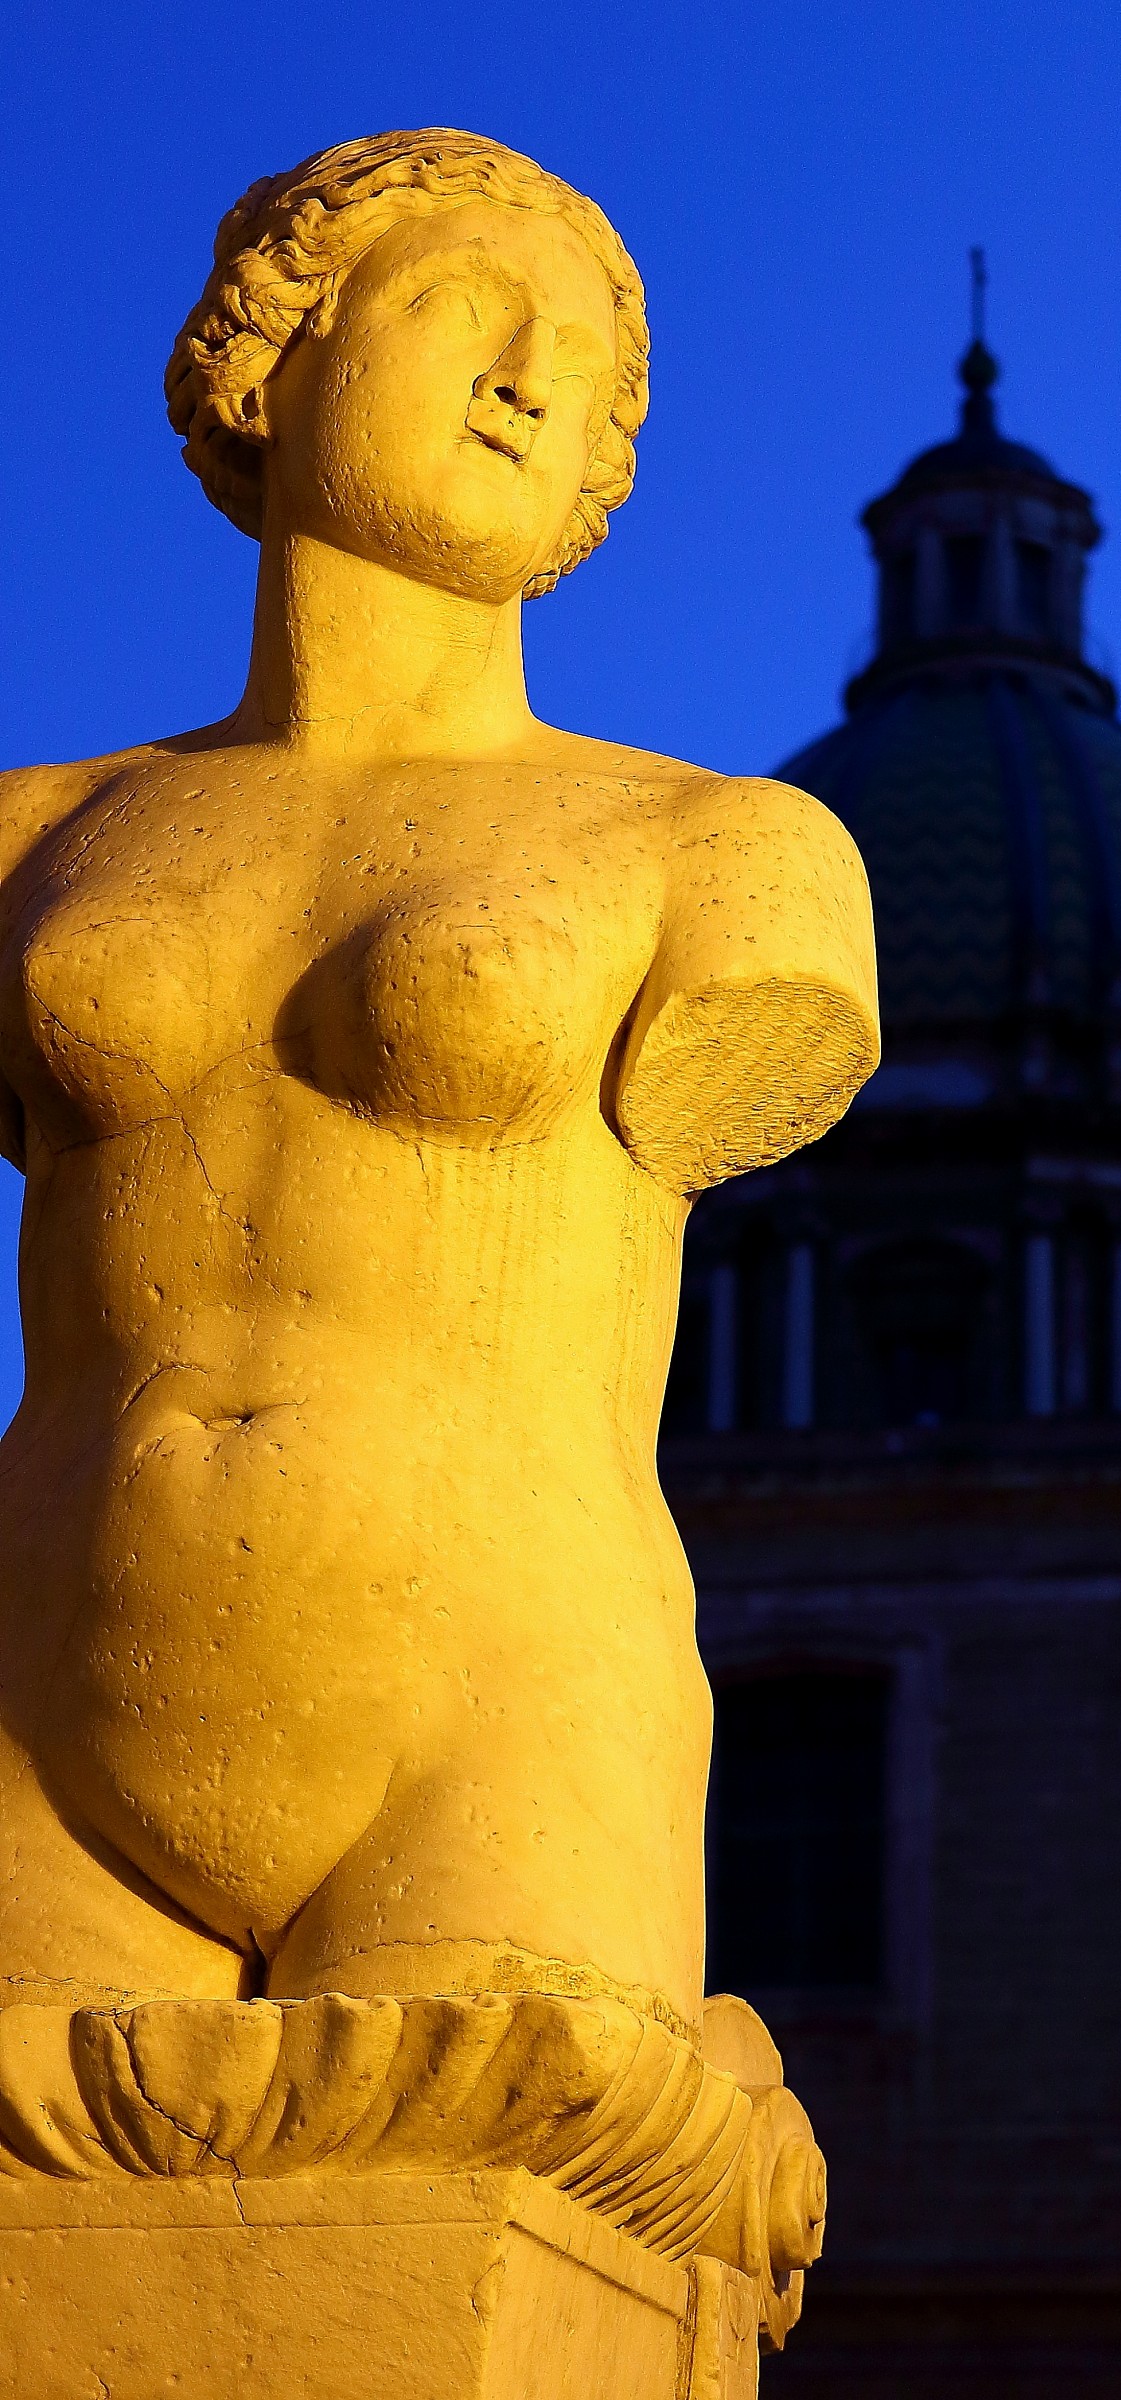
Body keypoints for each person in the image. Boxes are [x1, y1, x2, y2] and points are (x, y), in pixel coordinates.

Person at [0, 131, 879, 2040]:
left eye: (584, 365)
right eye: (463, 310)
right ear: (267, 351)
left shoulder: (733, 850)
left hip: (503, 1723)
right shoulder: (31, 836)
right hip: (39, 1700)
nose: (528, 377)